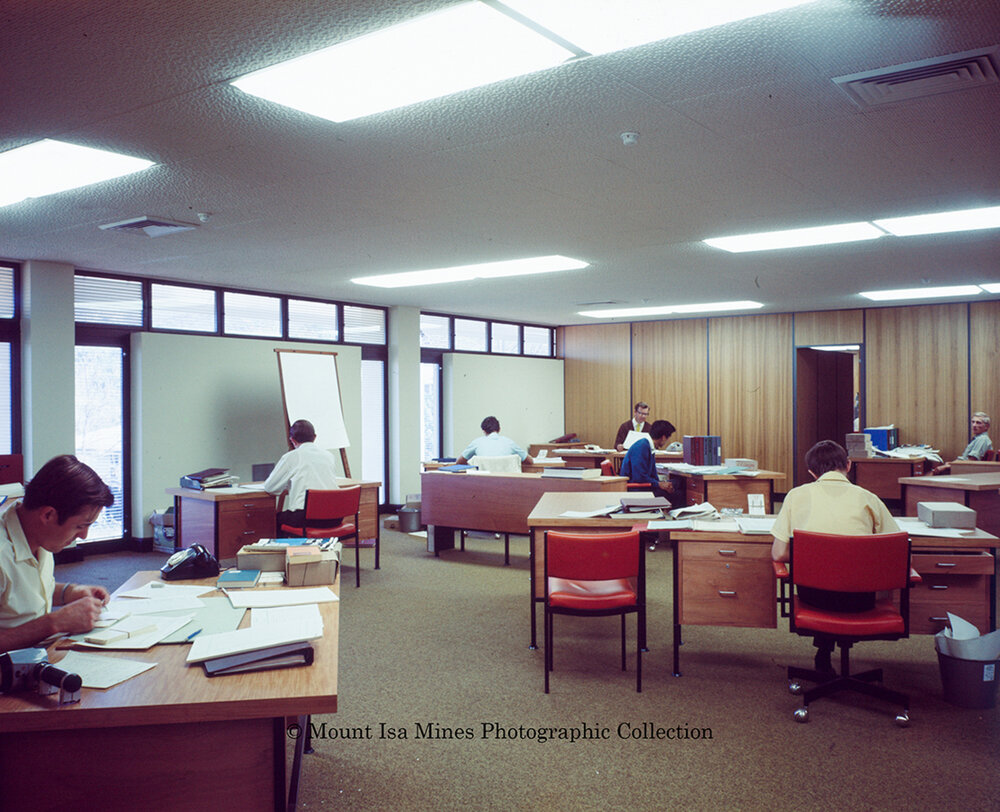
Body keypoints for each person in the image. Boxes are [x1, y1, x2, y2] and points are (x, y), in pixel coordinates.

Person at [770, 439, 899, 674]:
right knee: (847, 580)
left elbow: (779, 552)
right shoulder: (868, 498)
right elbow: (896, 554)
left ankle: (824, 651)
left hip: (814, 598)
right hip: (860, 601)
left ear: (811, 472)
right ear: (848, 465)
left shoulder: (795, 496)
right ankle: (826, 652)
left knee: (825, 582)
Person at [0, 454, 115, 652]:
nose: (84, 536)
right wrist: (54, 623)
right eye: (80, 526)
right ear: (48, 515)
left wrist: (69, 592)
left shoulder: (38, 534)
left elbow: (18, 594)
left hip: (36, 658)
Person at [264, 419, 341, 528]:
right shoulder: (329, 456)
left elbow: (270, 488)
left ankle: (290, 545)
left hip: (307, 518)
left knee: (274, 520)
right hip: (334, 517)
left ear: (292, 440)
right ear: (314, 437)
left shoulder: (291, 457)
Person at [619, 419, 677, 500]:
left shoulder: (648, 446)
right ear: (663, 438)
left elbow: (651, 475)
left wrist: (661, 483)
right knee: (678, 494)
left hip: (644, 486)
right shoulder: (642, 446)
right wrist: (658, 484)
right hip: (637, 490)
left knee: (677, 483)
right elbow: (639, 478)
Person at [456, 416, 532, 465]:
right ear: (499, 429)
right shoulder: (509, 443)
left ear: (484, 431)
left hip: (482, 486)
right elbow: (530, 461)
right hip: (507, 486)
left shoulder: (476, 443)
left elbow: (459, 462)